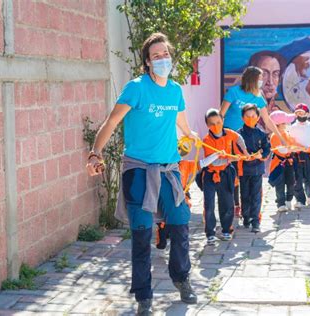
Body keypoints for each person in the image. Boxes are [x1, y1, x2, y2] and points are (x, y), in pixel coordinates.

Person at [86, 33, 197, 315]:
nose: (163, 60)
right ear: (147, 62)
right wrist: (95, 152)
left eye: (166, 55)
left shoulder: (175, 91)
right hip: (138, 172)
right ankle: (143, 296)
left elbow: (181, 122)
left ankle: (181, 278)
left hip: (169, 172)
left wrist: (191, 135)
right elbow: (112, 121)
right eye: (156, 56)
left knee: (181, 226)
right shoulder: (135, 88)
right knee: (141, 235)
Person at [220, 66, 286, 219]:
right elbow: (221, 113)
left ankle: (252, 209)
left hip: (249, 141)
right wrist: (217, 133)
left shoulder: (258, 98)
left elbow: (267, 120)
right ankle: (236, 205)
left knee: (247, 174)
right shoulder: (234, 92)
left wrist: (280, 136)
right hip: (231, 138)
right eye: (260, 78)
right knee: (233, 172)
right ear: (252, 79)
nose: (263, 81)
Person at [200, 109, 249, 245]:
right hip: (210, 175)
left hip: (226, 174)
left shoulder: (229, 133)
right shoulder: (207, 140)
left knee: (227, 202)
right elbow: (214, 161)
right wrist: (231, 159)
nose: (216, 125)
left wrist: (244, 151)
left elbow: (239, 138)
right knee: (209, 204)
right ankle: (210, 233)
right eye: (212, 123)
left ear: (222, 121)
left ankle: (226, 230)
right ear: (207, 125)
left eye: (218, 122)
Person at [238, 104, 270, 232]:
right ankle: (246, 217)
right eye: (247, 116)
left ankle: (256, 220)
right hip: (243, 169)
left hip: (257, 169)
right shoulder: (238, 134)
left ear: (258, 117)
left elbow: (267, 149)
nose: (250, 118)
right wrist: (243, 156)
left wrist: (261, 155)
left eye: (253, 116)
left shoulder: (261, 134)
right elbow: (234, 150)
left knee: (256, 195)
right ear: (242, 117)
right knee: (244, 194)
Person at [288, 103, 310, 208]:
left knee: (309, 177)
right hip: (296, 155)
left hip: (307, 154)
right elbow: (290, 141)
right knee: (297, 178)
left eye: (302, 113)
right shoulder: (292, 127)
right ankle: (300, 200)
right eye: (298, 113)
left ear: (307, 113)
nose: (300, 115)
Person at [268, 111, 297, 212]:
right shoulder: (274, 136)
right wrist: (291, 149)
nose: (287, 124)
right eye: (285, 123)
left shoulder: (287, 134)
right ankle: (280, 203)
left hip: (289, 163)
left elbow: (292, 144)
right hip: (279, 164)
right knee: (279, 184)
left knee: (291, 182)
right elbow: (280, 150)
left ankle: (289, 200)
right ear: (278, 125)